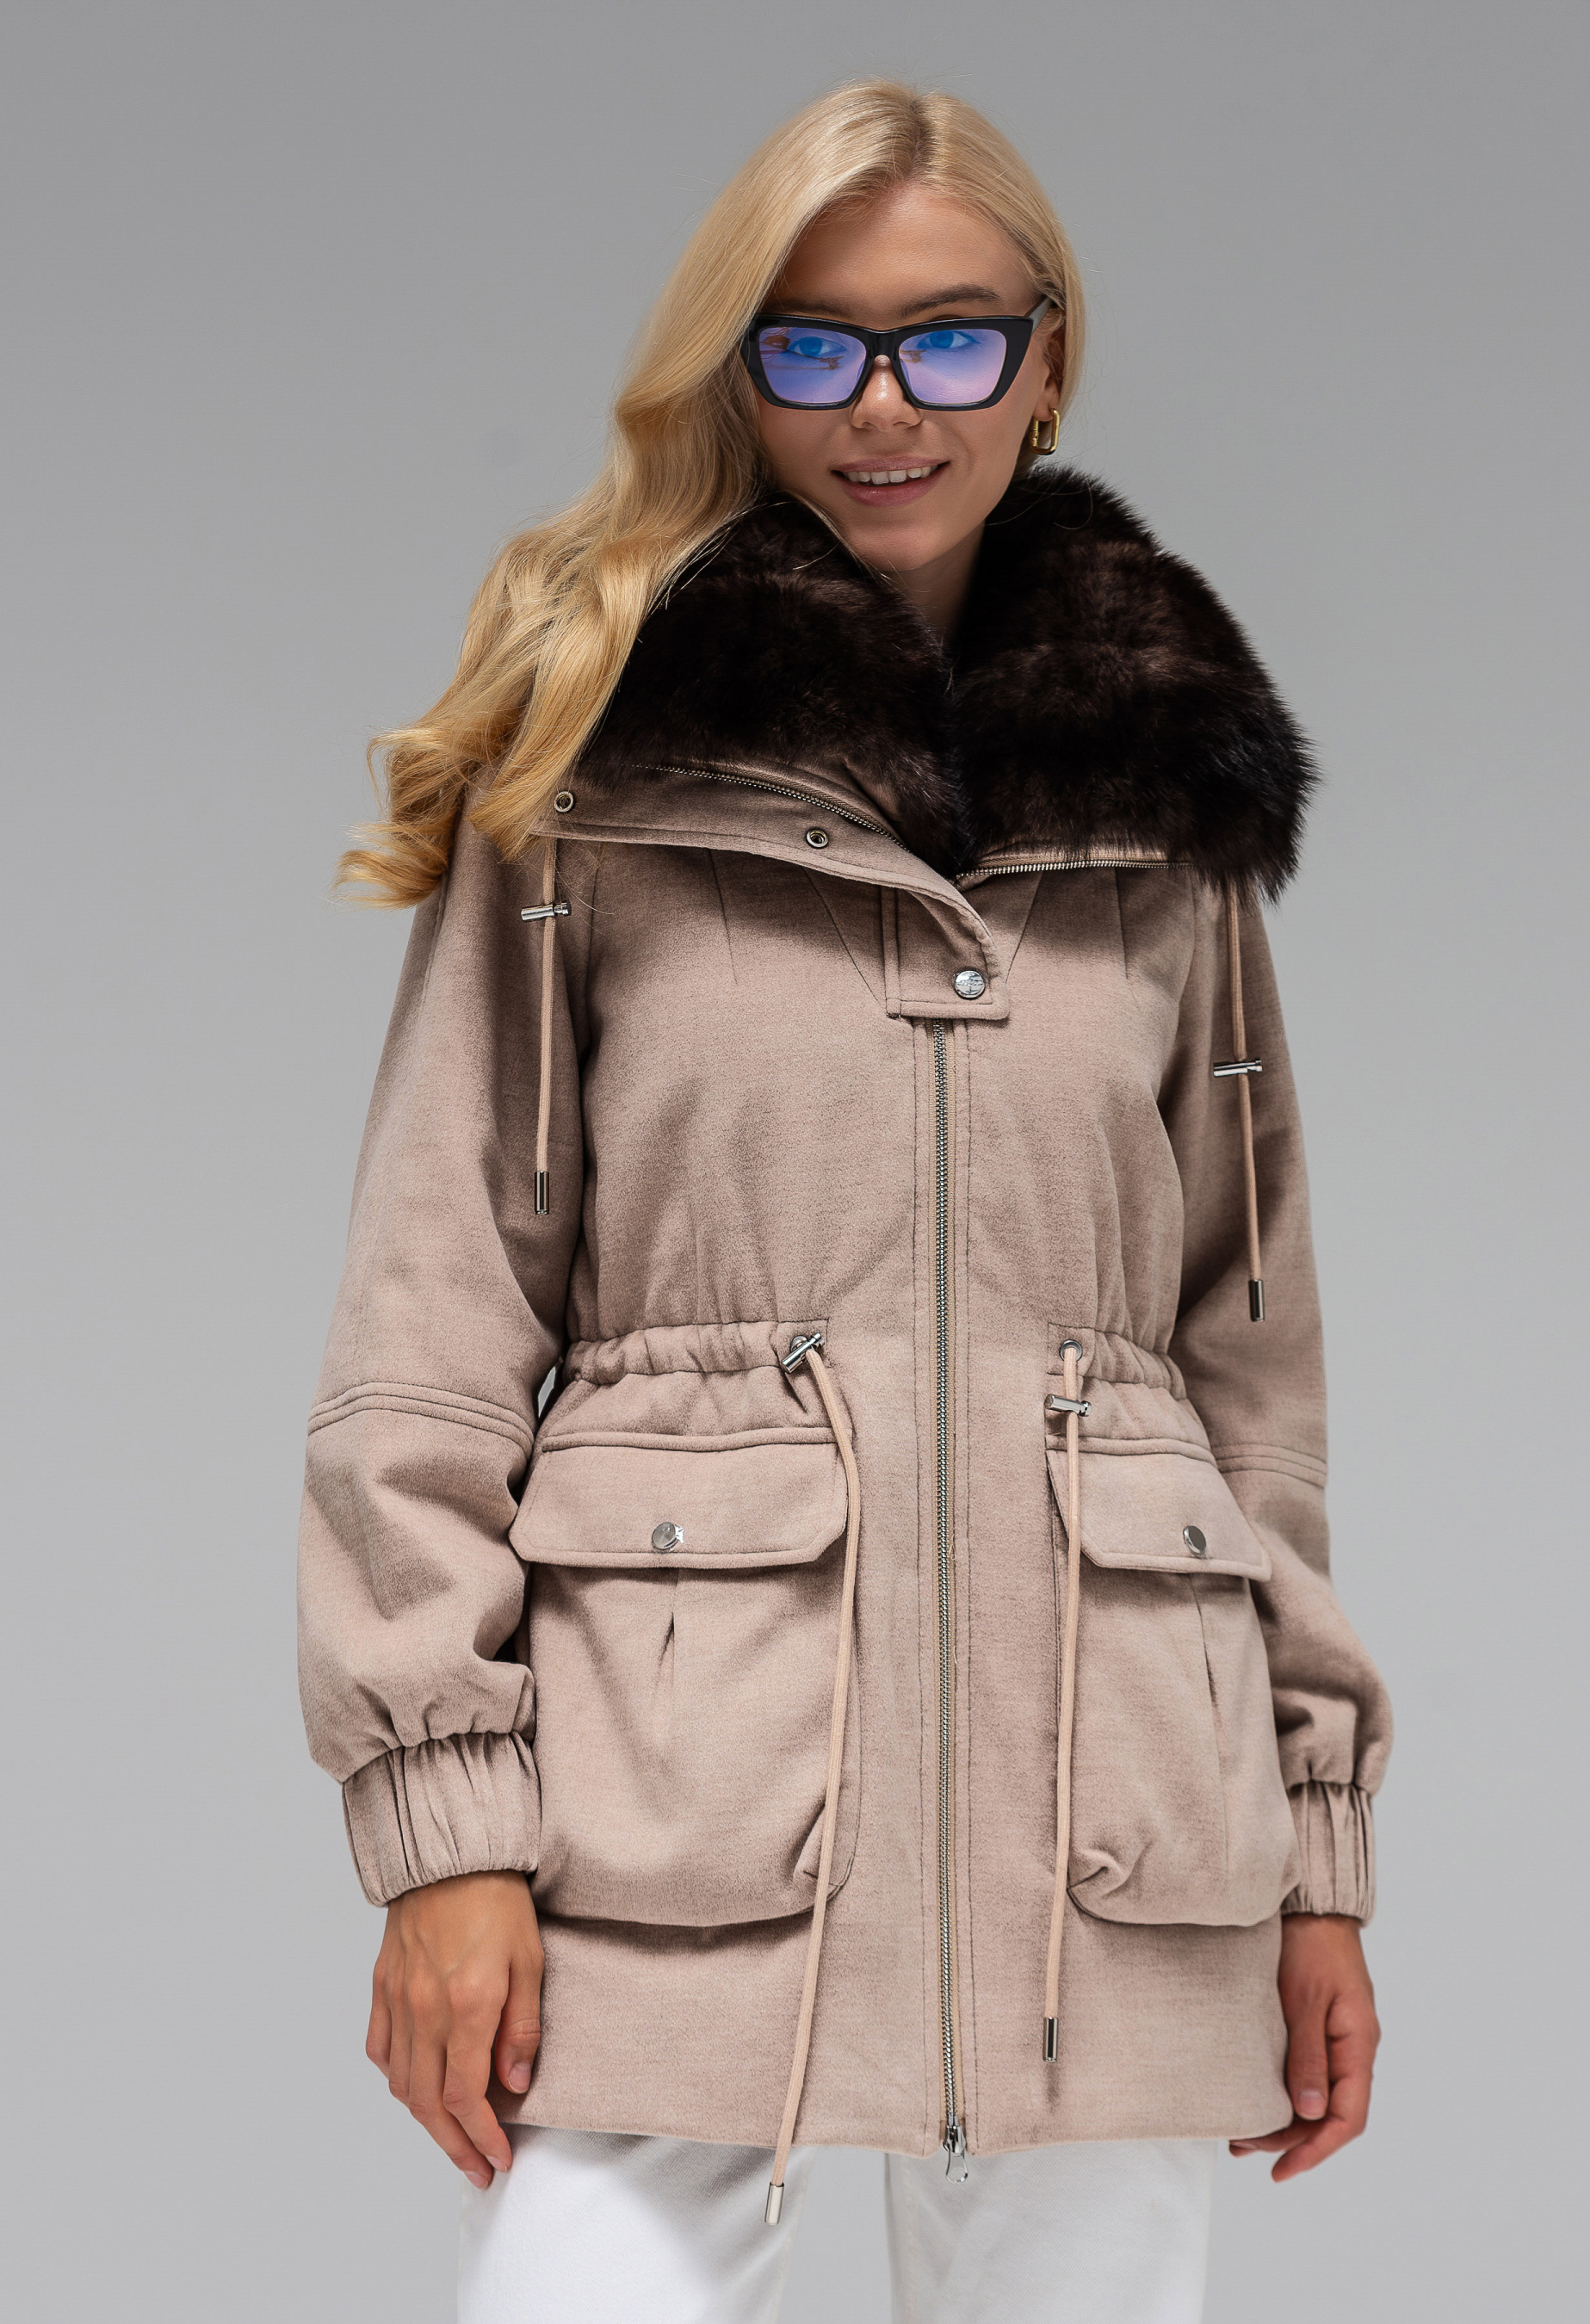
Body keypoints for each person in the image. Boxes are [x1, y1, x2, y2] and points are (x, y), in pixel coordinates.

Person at [298, 78, 1392, 2324]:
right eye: (812, 345)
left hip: (1114, 1843)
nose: (885, 404)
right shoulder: (589, 772)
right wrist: (442, 1832)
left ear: (1046, 363)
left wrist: (1313, 1847)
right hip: (676, 1821)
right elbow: (431, 1324)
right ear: (742, 375)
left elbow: (1247, 1371)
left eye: (949, 338)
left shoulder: (1170, 809)